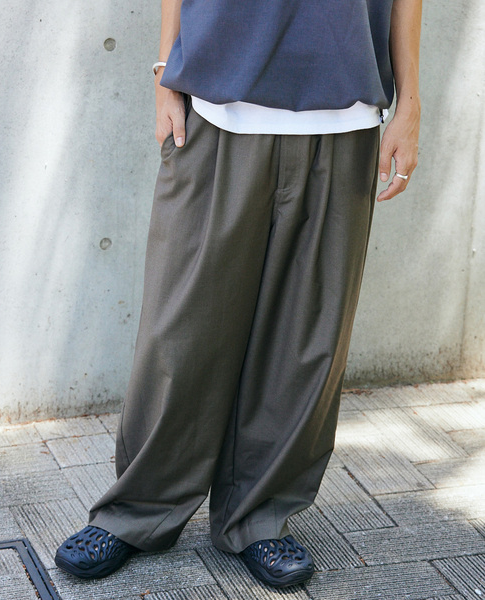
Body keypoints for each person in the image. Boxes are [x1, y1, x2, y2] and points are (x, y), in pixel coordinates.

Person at [55, 0, 421, 588]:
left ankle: (259, 516)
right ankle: (138, 510)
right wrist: (164, 71)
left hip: (345, 111)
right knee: (181, 331)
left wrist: (410, 102)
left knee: (306, 340)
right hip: (219, 101)